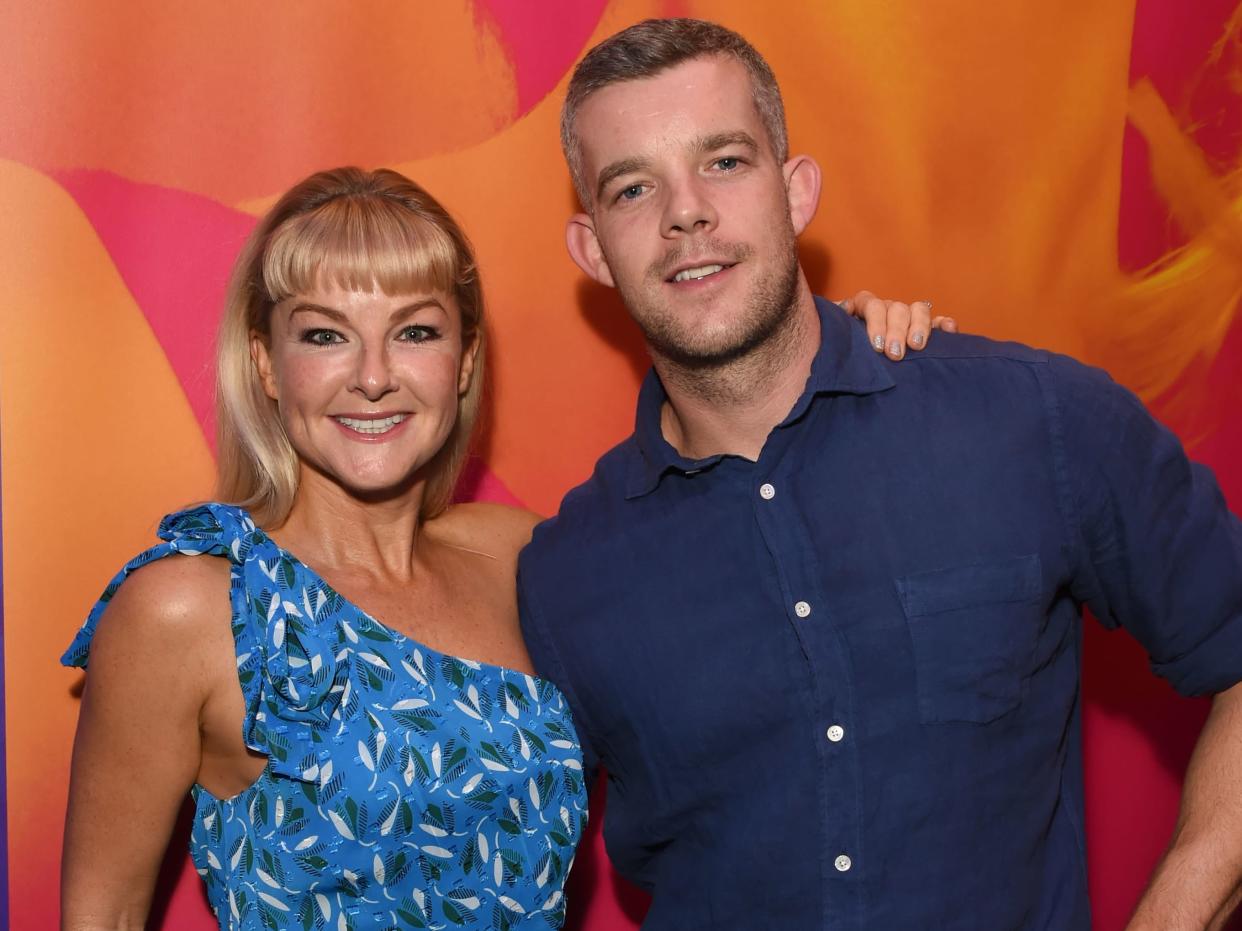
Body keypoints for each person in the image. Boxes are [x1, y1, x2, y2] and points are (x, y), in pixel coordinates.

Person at [59, 165, 939, 929]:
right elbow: (105, 916)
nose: (373, 375)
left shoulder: (526, 559)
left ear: (466, 360)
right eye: (324, 334)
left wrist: (830, 357)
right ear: (265, 363)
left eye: (416, 331)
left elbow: (743, 562)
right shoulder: (190, 606)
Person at [517, 18, 1242, 931]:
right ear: (592, 250)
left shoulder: (1029, 422)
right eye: (633, 186)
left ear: (796, 192)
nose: (686, 211)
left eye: (726, 162)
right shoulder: (564, 576)